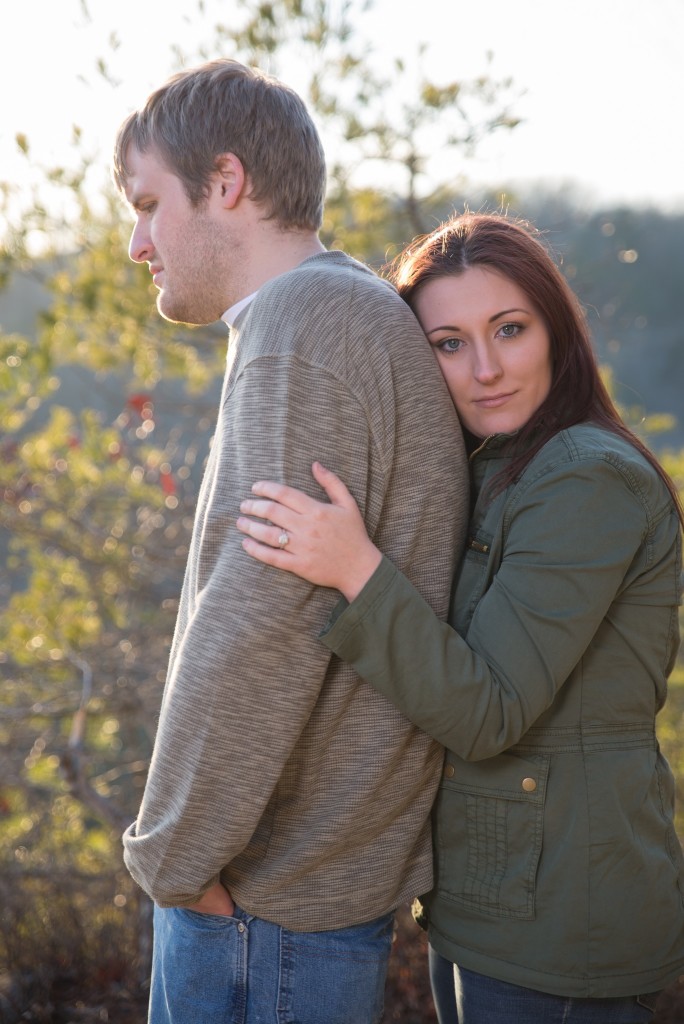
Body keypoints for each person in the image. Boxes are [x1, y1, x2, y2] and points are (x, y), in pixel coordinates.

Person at [237, 211, 684, 1024]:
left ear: (556, 332)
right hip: (488, 903)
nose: (485, 368)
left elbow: (486, 712)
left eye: (509, 329)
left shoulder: (587, 479)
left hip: (562, 918)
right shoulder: (502, 466)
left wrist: (355, 568)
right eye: (448, 343)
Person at [111, 58, 469, 1023]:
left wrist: (175, 862)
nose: (136, 242)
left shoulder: (305, 324)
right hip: (287, 889)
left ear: (225, 184)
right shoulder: (334, 309)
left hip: (263, 900)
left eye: (148, 205)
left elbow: (263, 617)